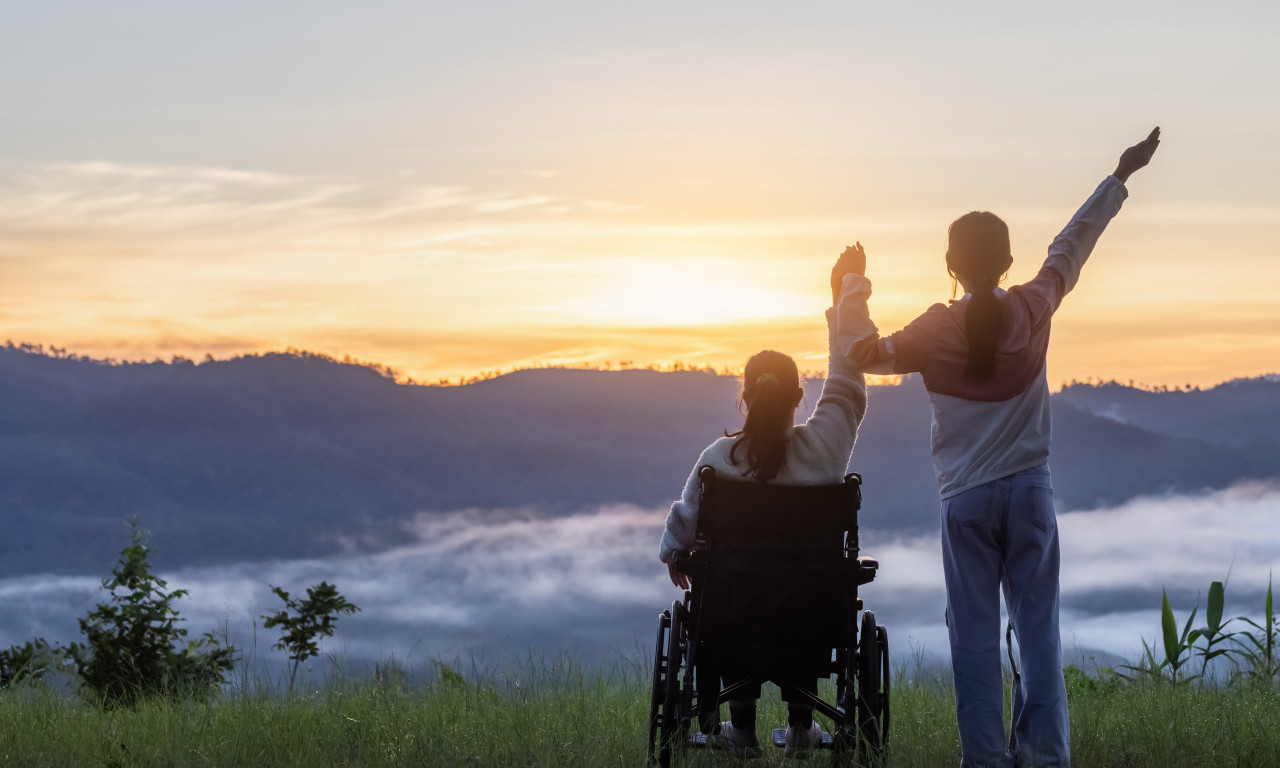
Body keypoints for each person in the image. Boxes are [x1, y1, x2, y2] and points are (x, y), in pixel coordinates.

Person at [834, 128, 1161, 768]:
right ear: (1008, 264)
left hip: (966, 503)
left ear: (952, 266)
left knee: (975, 642)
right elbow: (1072, 245)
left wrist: (852, 286)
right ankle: (1045, 758)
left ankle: (984, 759)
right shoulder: (1034, 306)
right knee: (1038, 636)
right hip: (1031, 494)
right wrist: (1120, 176)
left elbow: (862, 354)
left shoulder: (933, 329)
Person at [659, 248, 870, 759]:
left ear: (745, 398)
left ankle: (743, 732)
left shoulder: (717, 462)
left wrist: (674, 556)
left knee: (730, 593)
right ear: (800, 398)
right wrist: (843, 296)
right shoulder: (823, 454)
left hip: (733, 619)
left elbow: (682, 528)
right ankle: (802, 729)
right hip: (812, 619)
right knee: (799, 599)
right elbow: (846, 385)